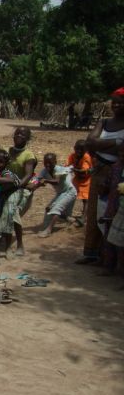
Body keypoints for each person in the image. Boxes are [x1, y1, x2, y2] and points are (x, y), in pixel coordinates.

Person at [78, 88, 124, 264]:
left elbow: (120, 151)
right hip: (99, 169)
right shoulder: (104, 122)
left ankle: (109, 258)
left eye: (121, 102)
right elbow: (89, 143)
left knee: (112, 214)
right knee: (94, 213)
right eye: (115, 102)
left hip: (119, 174)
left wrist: (100, 145)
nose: (117, 105)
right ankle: (92, 253)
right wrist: (117, 142)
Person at [6, 127, 38, 256]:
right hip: (8, 186)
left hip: (22, 188)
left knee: (14, 214)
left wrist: (17, 185)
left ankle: (20, 244)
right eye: (17, 133)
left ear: (28, 138)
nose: (19, 136)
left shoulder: (28, 155)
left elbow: (28, 175)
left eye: (23, 134)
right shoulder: (7, 151)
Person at [31, 153, 77, 238]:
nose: (47, 165)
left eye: (50, 162)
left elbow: (57, 181)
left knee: (56, 208)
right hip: (61, 193)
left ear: (55, 162)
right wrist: (31, 187)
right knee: (48, 208)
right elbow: (36, 181)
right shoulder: (44, 171)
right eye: (46, 162)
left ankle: (48, 230)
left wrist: (45, 181)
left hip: (69, 192)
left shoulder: (59, 169)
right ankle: (47, 226)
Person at [0, 149, 22, 258]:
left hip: (13, 192)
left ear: (6, 164)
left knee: (9, 215)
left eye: (1, 161)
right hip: (2, 193)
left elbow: (10, 181)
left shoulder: (6, 172)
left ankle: (8, 247)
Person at [102, 144, 124, 284]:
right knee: (111, 238)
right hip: (114, 205)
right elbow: (107, 184)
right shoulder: (115, 168)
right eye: (121, 153)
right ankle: (109, 267)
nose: (122, 156)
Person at [66, 139, 92, 226]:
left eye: (82, 150)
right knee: (70, 193)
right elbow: (67, 166)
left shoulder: (86, 157)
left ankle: (84, 217)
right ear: (74, 148)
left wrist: (73, 169)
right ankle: (66, 213)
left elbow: (84, 171)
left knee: (86, 199)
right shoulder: (72, 156)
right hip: (77, 179)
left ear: (86, 150)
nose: (79, 151)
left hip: (87, 180)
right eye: (77, 149)